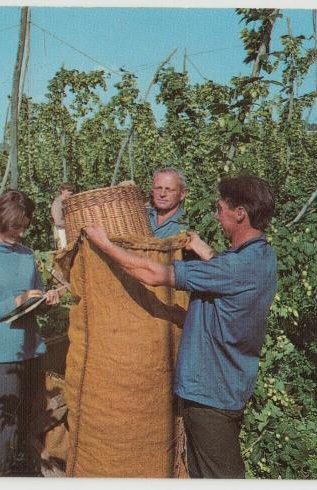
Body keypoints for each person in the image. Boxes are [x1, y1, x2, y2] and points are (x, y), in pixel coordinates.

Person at [83, 175, 278, 478]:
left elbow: (151, 273)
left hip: (209, 396)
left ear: (240, 212)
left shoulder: (234, 267)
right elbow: (226, 276)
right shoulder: (262, 257)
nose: (217, 215)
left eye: (221, 208)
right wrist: (206, 251)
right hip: (230, 386)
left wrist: (105, 245)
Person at [0, 190, 60, 476]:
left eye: (24, 225)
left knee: (33, 425)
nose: (21, 232)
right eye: (15, 227)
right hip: (0, 358)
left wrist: (45, 301)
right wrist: (15, 302)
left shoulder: (27, 255)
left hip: (32, 352)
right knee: (6, 430)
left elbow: (34, 301)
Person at [148, 168, 189, 238]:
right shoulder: (142, 215)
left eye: (169, 189)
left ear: (182, 194)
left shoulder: (186, 224)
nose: (162, 194)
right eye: (158, 188)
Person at [51, 183, 75, 249]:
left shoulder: (67, 202)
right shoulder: (57, 203)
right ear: (62, 190)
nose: (71, 192)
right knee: (63, 251)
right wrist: (71, 223)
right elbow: (58, 222)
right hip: (60, 230)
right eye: (68, 190)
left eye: (71, 190)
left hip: (67, 230)